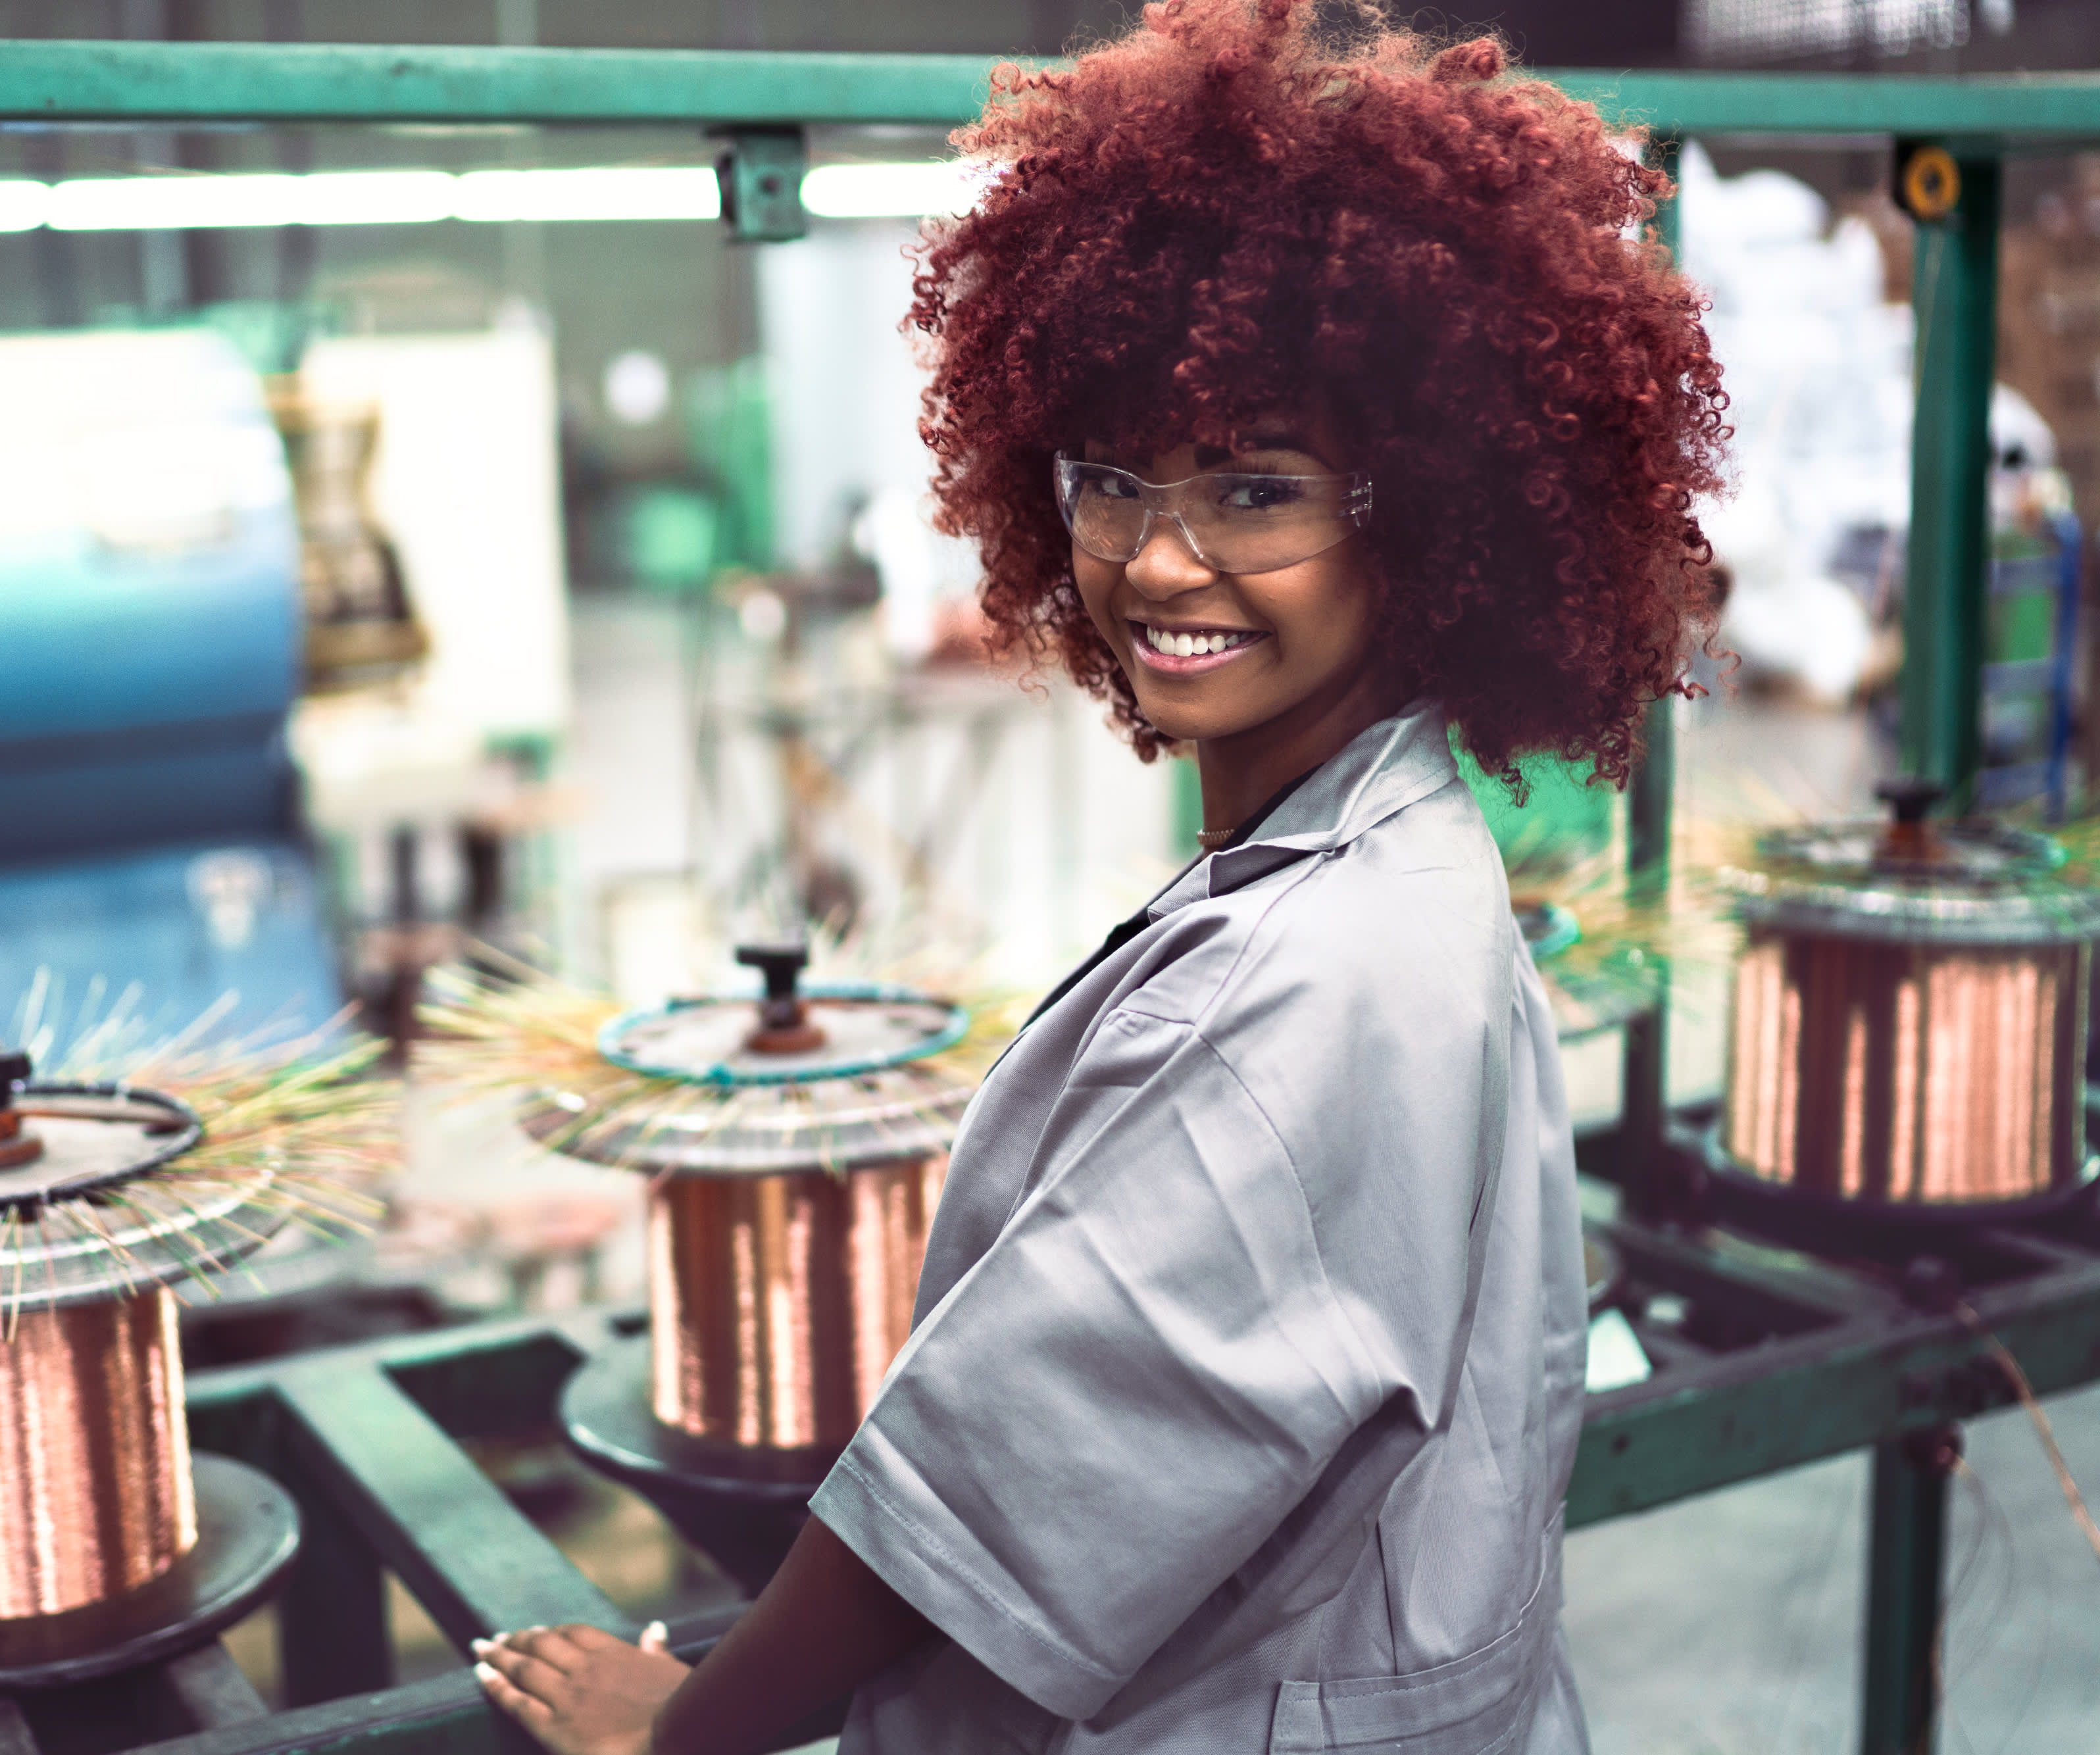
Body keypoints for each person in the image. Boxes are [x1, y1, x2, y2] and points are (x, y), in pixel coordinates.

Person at [474, 1, 1726, 1748]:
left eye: (1258, 486)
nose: (1157, 555)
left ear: (1434, 514)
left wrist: (681, 1732)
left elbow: (995, 1484)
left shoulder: (1319, 978)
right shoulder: (1384, 860)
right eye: (1112, 476)